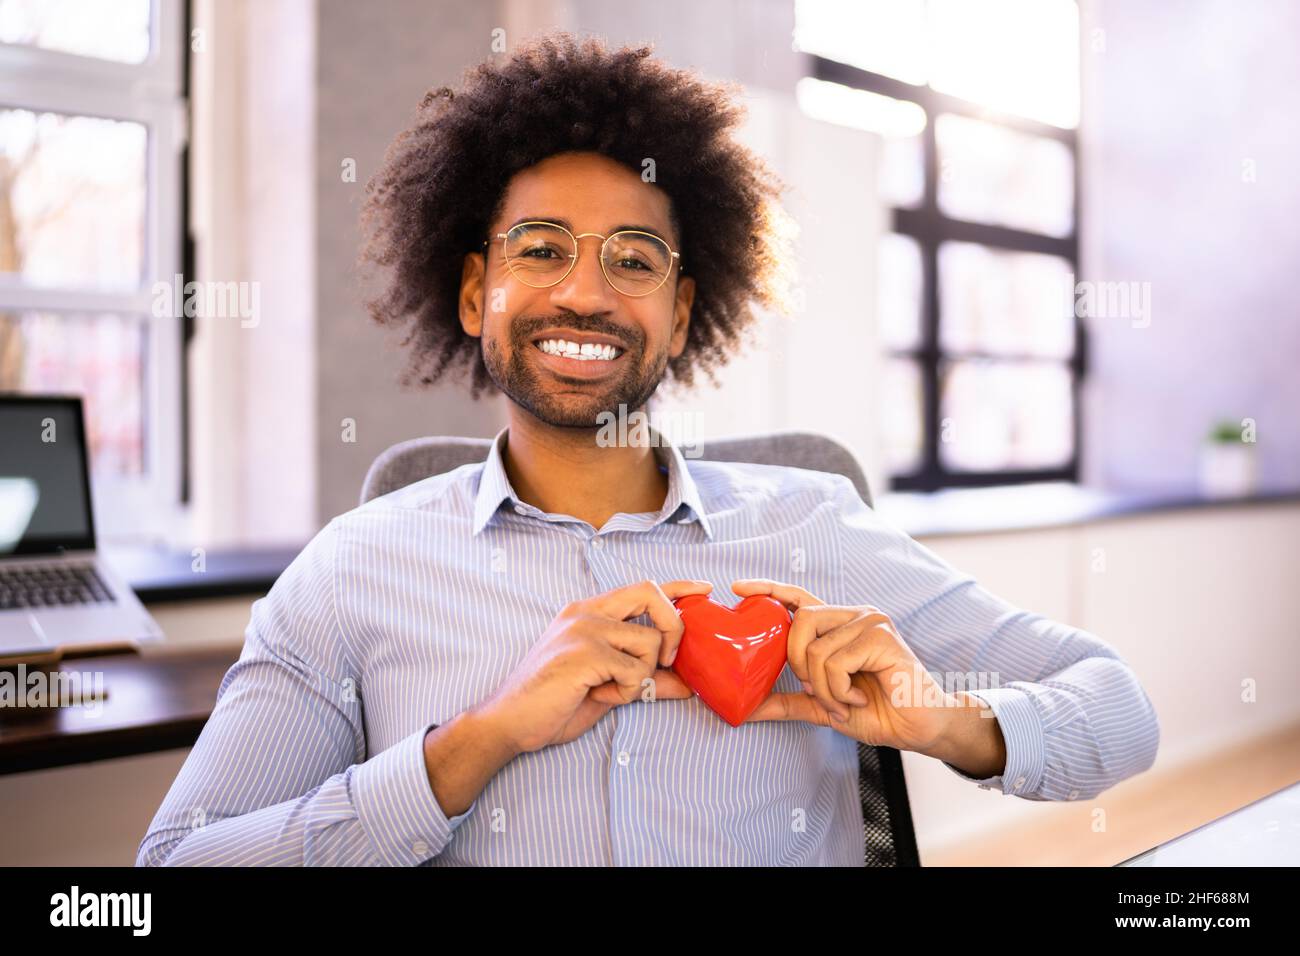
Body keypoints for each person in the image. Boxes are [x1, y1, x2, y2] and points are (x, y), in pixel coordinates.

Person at [138, 32, 1159, 866]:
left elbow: (1117, 710)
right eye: (539, 249)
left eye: (633, 260)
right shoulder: (352, 570)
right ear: (469, 293)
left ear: (678, 316)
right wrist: (477, 739)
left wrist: (945, 718)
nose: (583, 293)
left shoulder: (814, 527)